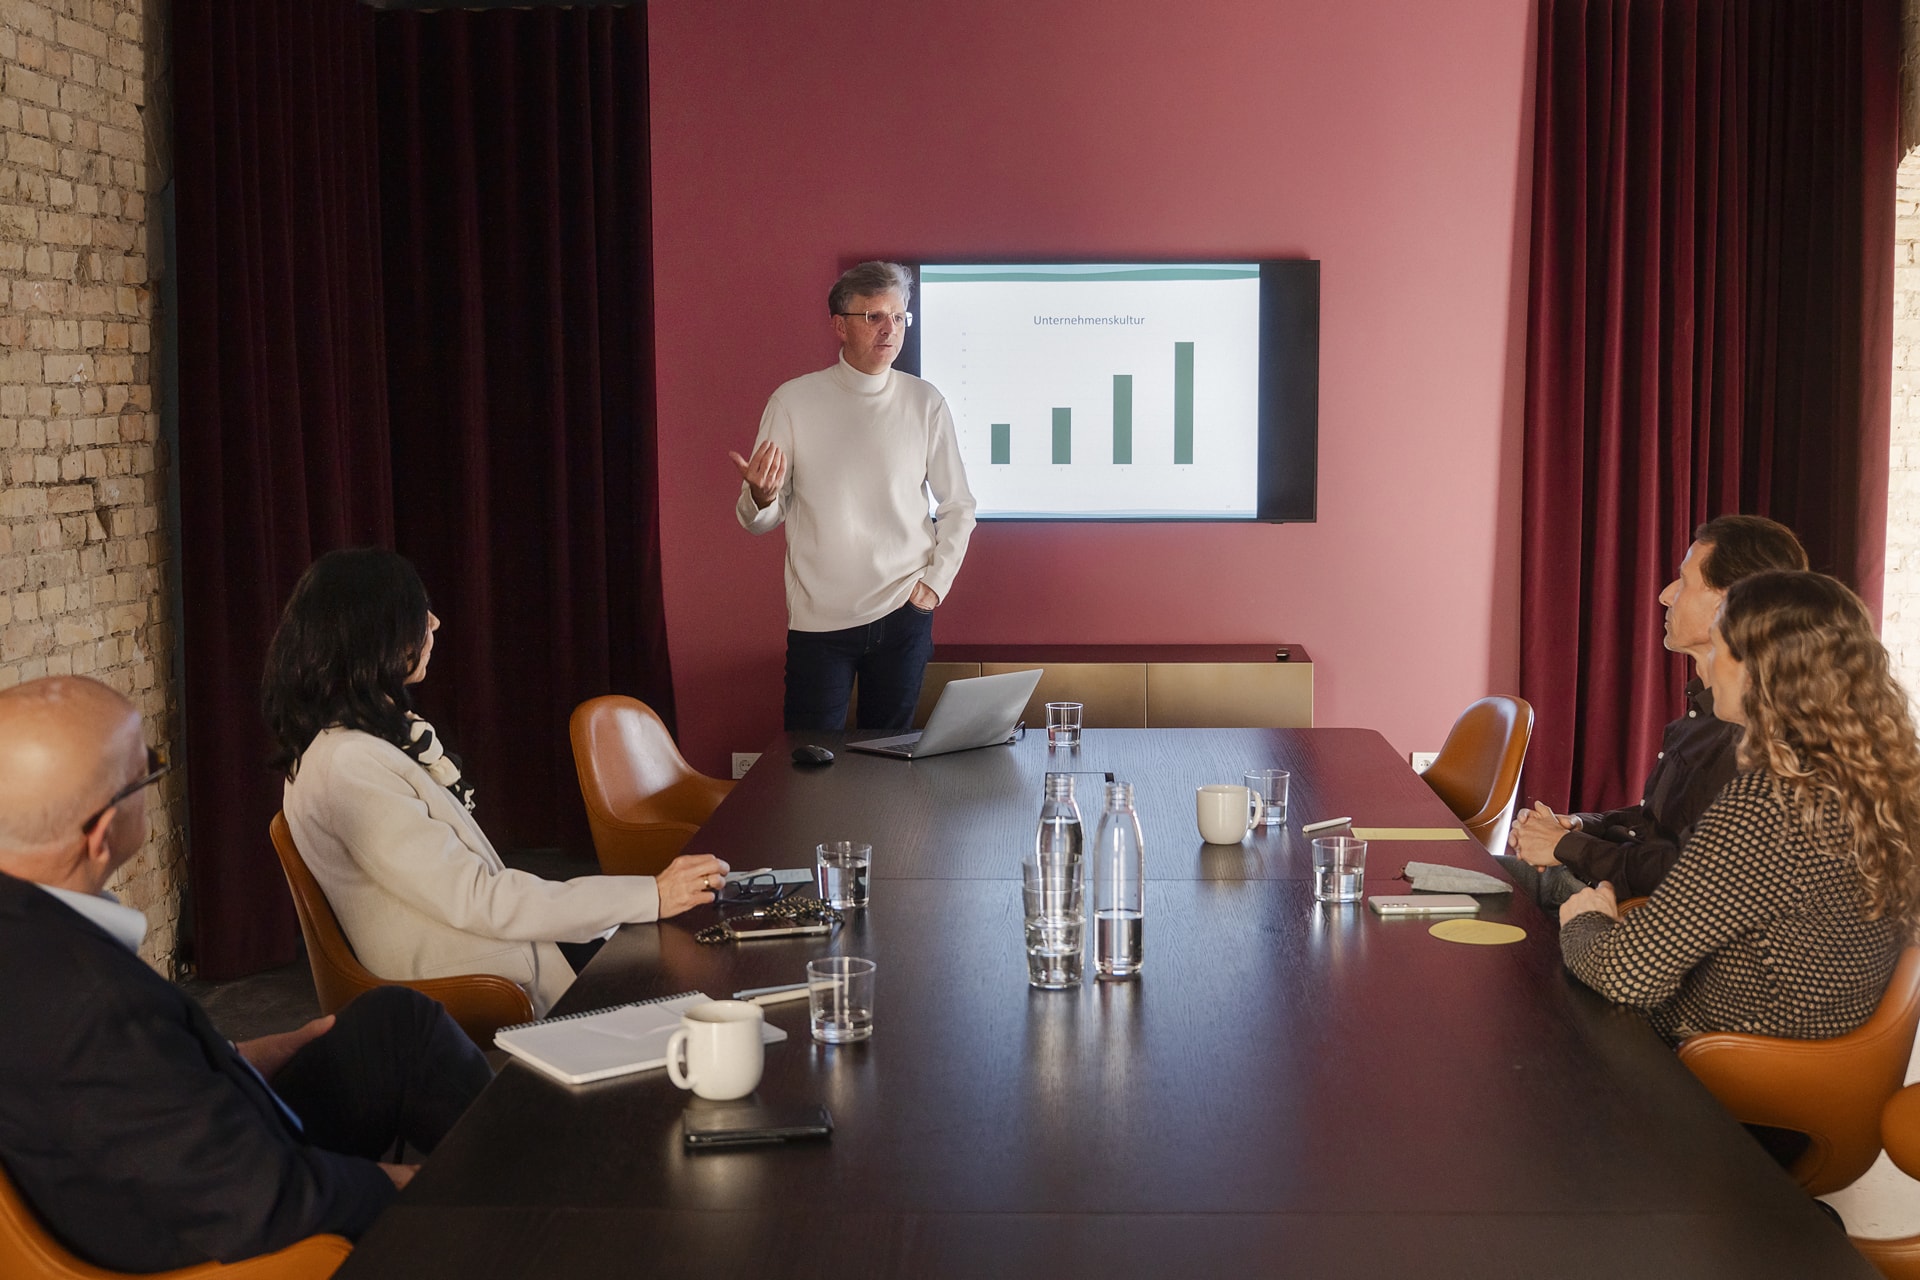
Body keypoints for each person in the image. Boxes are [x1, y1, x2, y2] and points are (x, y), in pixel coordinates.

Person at [0, 676, 493, 1272]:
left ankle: (531, 1172)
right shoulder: (94, 1004)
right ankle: (539, 1206)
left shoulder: (31, 932)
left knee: (399, 1027)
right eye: (148, 770)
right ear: (102, 836)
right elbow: (260, 1202)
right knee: (484, 1184)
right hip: (222, 1228)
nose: (154, 779)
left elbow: (119, 1103)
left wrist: (240, 1056)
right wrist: (406, 1184)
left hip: (182, 1152)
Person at [264, 549, 729, 1018]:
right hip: (471, 978)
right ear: (374, 635)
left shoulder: (349, 746)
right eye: (418, 613)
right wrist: (651, 894)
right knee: (701, 974)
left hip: (482, 949)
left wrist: (641, 898)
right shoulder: (350, 763)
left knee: (680, 943)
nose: (435, 623)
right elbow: (477, 899)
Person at [1560, 571, 1920, 1046]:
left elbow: (1628, 974)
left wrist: (1586, 920)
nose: (1708, 665)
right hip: (1818, 1037)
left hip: (1728, 1048)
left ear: (1757, 668)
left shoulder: (1770, 803)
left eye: (1716, 646)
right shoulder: (1871, 778)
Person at [1502, 515, 1808, 907]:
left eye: (1684, 581)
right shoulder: (1701, 713)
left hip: (1618, 913)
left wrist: (1565, 845)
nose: (1665, 595)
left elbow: (1687, 873)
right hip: (1594, 886)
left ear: (1729, 602)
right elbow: (1652, 823)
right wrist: (1577, 826)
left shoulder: (1751, 738)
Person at [729, 260, 977, 733]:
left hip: (904, 611)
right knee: (808, 761)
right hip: (820, 621)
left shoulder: (925, 402)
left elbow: (959, 506)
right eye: (873, 316)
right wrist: (760, 496)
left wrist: (933, 587)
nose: (890, 329)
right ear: (839, 326)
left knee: (889, 762)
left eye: (899, 317)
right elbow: (758, 519)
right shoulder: (793, 402)